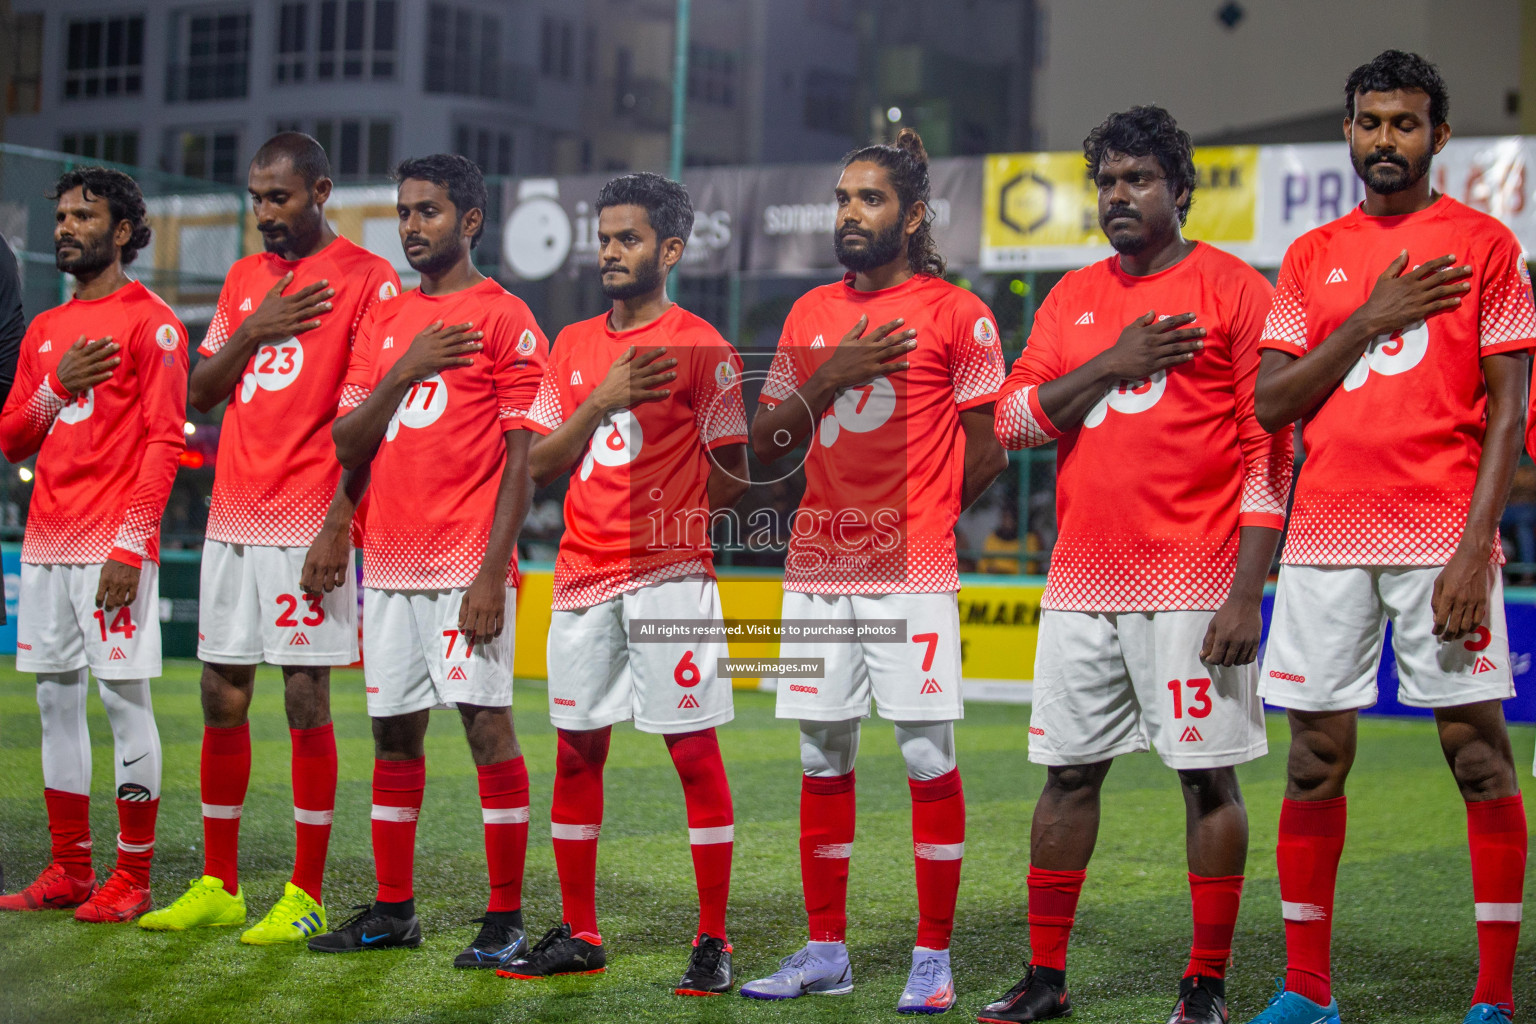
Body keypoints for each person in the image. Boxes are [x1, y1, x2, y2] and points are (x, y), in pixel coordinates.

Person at [979, 106, 1291, 1024]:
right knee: (1067, 774)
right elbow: (1013, 421)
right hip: (1081, 582)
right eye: (1107, 181)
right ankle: (1046, 979)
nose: (1119, 195)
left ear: (1181, 191)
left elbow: (1265, 446)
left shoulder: (1234, 289)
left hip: (1194, 583)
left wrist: (1246, 592)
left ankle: (1203, 986)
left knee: (1207, 779)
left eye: (1139, 180)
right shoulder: (1073, 298)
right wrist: (1112, 364)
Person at [1242, 51, 1533, 1024]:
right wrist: (1367, 320)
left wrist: (1473, 547)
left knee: (1477, 755)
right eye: (1370, 122)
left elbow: (1507, 413)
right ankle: (1307, 991)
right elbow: (1273, 398)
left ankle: (1493, 997)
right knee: (1314, 758)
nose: (1384, 140)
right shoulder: (1309, 255)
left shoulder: (1486, 245)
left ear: (1438, 137)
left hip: (1439, 540)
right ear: (1348, 131)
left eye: (1405, 124)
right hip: (1323, 541)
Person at [742, 128, 1008, 1014]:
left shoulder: (958, 313)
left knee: (927, 754)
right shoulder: (810, 314)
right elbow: (769, 446)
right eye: (842, 199)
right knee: (823, 755)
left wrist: (923, 518)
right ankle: (828, 951)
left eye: (869, 199)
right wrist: (829, 378)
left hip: (909, 572)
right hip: (816, 567)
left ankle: (932, 962)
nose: (850, 214)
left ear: (914, 214)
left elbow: (990, 449)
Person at [136, 133, 399, 943]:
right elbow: (201, 393)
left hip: (307, 514)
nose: (262, 214)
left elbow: (367, 423)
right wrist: (254, 326)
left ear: (319, 191)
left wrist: (337, 526)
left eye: (277, 197)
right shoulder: (247, 279)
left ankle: (306, 890)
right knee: (220, 692)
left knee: (304, 695)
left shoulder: (367, 280)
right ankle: (219, 882)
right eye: (255, 197)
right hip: (233, 515)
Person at [502, 171, 749, 995]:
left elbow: (735, 472)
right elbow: (536, 465)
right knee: (577, 753)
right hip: (579, 577)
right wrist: (602, 401)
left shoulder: (704, 345)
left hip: (669, 580)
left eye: (629, 238)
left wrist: (671, 529)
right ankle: (580, 932)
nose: (611, 251)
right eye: (605, 237)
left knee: (693, 754)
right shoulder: (571, 345)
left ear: (669, 250)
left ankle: (712, 940)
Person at [304, 154, 547, 967]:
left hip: (464, 567)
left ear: (469, 222)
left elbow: (523, 458)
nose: (411, 227)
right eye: (404, 213)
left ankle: (505, 919)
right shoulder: (385, 322)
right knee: (393, 736)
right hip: (394, 566)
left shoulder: (507, 317)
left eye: (428, 212)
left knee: (486, 730)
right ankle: (395, 910)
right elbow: (348, 441)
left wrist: (492, 570)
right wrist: (403, 370)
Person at [0, 168, 188, 922]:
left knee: (122, 701)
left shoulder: (153, 322)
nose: (65, 228)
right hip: (45, 540)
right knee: (53, 703)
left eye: (85, 217)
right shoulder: (44, 331)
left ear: (122, 232)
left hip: (111, 545)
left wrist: (131, 545)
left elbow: (163, 441)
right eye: (62, 217)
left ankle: (132, 876)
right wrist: (57, 386)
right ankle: (70, 868)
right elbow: (13, 431)